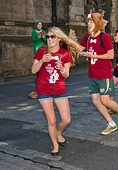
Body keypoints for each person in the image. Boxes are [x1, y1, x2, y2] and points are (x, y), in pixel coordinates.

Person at [70, 11, 118, 135]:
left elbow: (111, 55)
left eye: (92, 22)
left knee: (106, 101)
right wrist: (71, 39)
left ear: (97, 23)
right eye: (88, 22)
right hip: (92, 74)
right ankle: (111, 123)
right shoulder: (87, 36)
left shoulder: (104, 37)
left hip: (104, 74)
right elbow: (79, 49)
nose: (89, 24)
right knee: (96, 101)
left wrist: (93, 55)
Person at [31, 27, 81, 155]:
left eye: (52, 36)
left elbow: (66, 75)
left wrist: (61, 69)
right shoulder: (41, 51)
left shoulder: (65, 53)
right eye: (47, 37)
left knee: (66, 120)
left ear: (59, 38)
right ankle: (55, 145)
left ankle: (59, 133)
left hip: (59, 89)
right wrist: (42, 60)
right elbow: (33, 70)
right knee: (51, 120)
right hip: (43, 89)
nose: (50, 39)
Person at [29, 21, 47, 99]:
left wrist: (43, 37)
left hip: (43, 47)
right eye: (38, 24)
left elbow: (46, 40)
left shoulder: (43, 31)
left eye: (41, 24)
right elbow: (34, 40)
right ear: (36, 25)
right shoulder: (34, 32)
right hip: (37, 48)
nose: (40, 25)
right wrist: (38, 37)